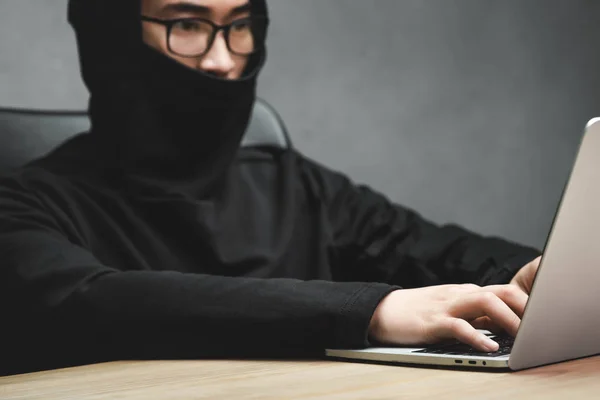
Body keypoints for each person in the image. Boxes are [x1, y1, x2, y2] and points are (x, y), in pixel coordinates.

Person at [0, 0, 541, 376]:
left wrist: (544, 279)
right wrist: (370, 311)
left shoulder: (289, 182)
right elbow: (93, 302)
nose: (222, 59)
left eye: (240, 25)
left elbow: (434, 249)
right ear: (113, 37)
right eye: (186, 24)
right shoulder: (22, 205)